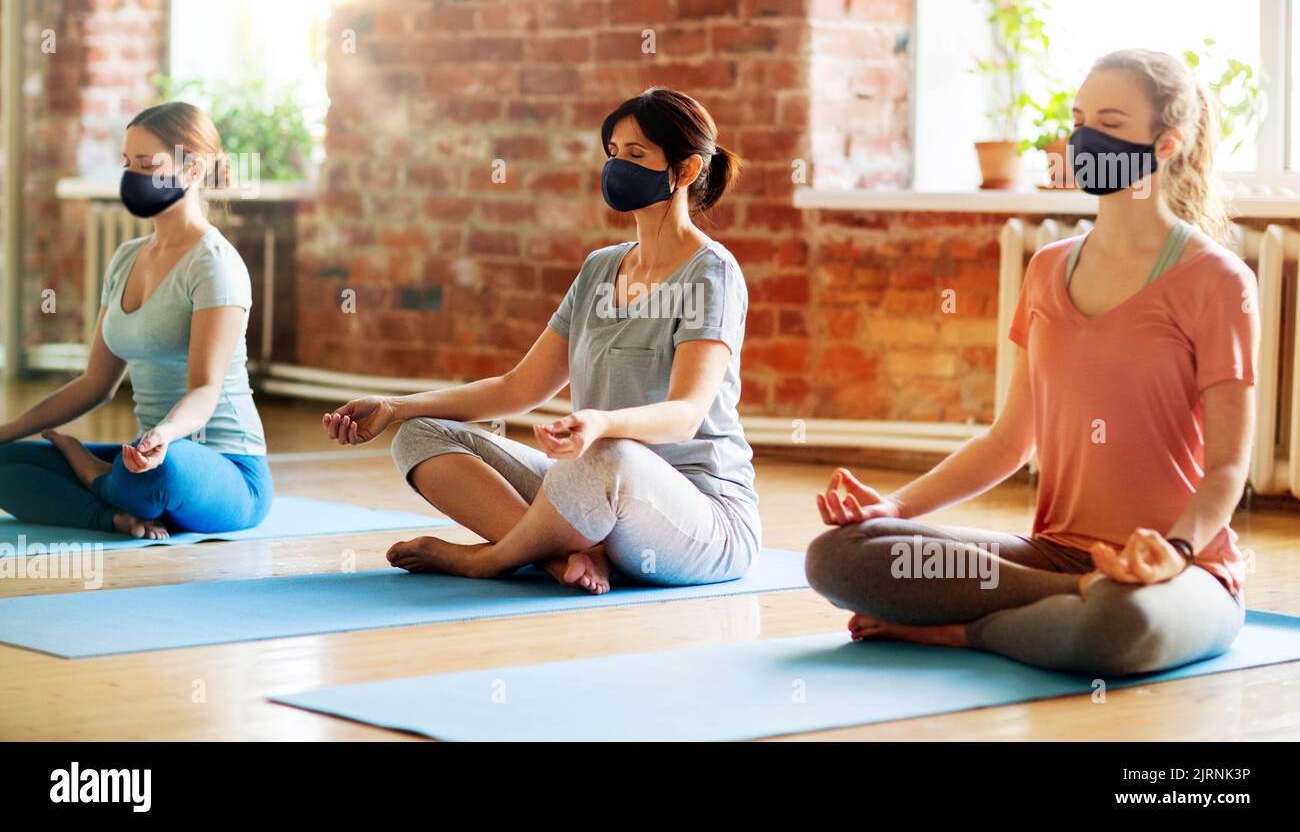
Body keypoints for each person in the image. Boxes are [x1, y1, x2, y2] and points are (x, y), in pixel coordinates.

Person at [805, 49, 1257, 677]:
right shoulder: (1047, 269)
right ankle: (1063, 607)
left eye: (1110, 120)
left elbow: (1229, 465)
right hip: (1050, 557)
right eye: (1078, 118)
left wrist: (1175, 553)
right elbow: (1009, 442)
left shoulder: (1217, 280)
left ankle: (966, 633)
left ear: (1165, 144)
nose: (1083, 136)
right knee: (840, 556)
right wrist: (896, 509)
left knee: (1124, 624)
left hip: (1182, 575)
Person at [322, 88, 759, 594]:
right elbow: (517, 388)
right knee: (421, 434)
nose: (617, 167)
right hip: (594, 495)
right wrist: (395, 407)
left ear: (685, 171)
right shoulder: (600, 269)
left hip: (701, 522)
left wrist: (599, 423)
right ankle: (564, 559)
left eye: (636, 156)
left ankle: (490, 560)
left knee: (605, 455)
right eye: (613, 154)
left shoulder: (712, 274)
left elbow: (685, 415)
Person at [0, 102, 272, 539]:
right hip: (143, 458)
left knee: (163, 473)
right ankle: (115, 517)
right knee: (4, 465)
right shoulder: (126, 258)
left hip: (224, 467)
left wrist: (162, 435)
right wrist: (7, 431)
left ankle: (92, 475)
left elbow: (205, 390)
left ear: (193, 169)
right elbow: (95, 383)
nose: (133, 176)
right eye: (128, 163)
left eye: (147, 164)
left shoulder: (215, 265)